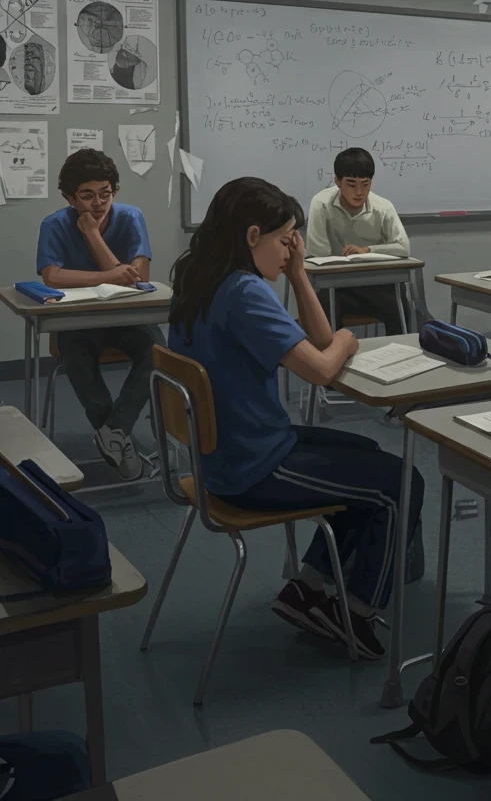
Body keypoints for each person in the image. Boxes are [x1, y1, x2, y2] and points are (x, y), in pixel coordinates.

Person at [167, 177, 423, 658]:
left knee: (365, 453)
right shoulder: (244, 292)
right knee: (400, 483)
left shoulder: (197, 276)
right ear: (251, 236)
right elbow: (326, 366)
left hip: (220, 456)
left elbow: (317, 342)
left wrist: (299, 272)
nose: (290, 251)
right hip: (252, 466)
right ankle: (358, 613)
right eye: (285, 240)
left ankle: (307, 587)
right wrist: (351, 339)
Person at [37, 149, 164, 480]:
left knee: (157, 353)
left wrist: (93, 236)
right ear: (69, 197)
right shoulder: (54, 224)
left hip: (126, 317)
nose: (98, 203)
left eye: (105, 193)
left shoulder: (131, 217)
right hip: (77, 320)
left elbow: (139, 278)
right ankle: (115, 434)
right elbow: (52, 276)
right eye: (87, 196)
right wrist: (111, 275)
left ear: (115, 191)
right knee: (76, 357)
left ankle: (114, 431)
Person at [306, 147, 410, 335]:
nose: (359, 192)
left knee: (402, 308)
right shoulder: (321, 204)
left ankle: (400, 358)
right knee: (325, 305)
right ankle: (331, 361)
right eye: (351, 184)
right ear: (337, 181)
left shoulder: (383, 207)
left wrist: (367, 250)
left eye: (366, 184)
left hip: (373, 284)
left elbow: (403, 247)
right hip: (334, 286)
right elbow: (317, 252)